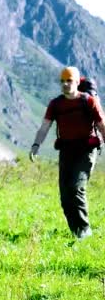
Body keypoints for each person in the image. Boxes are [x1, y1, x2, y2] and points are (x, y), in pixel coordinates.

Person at [29, 66, 105, 239]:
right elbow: (44, 127)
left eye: (69, 80)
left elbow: (102, 125)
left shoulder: (88, 101)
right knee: (65, 196)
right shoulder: (56, 104)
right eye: (62, 81)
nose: (65, 84)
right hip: (66, 151)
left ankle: (84, 232)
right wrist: (36, 145)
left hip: (86, 150)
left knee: (76, 188)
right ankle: (76, 232)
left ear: (77, 82)